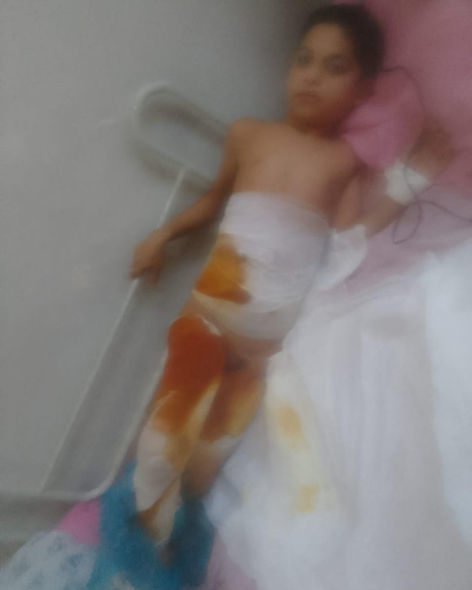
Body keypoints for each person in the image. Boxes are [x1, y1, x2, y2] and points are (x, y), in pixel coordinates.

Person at [129, 3, 392, 549]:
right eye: (304, 60)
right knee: (161, 441)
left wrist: (409, 184)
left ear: (361, 91)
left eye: (335, 67)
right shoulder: (248, 134)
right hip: (207, 315)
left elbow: (347, 245)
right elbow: (211, 203)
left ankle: (177, 538)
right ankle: (141, 541)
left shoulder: (344, 163)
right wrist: (163, 235)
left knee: (211, 456)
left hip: (263, 348)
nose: (312, 76)